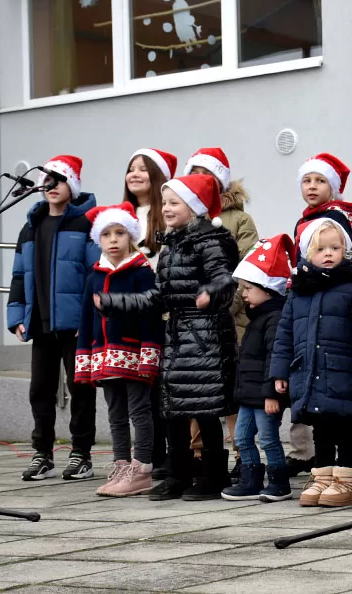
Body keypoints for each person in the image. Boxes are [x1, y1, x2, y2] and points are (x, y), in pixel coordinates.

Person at [98, 173, 239, 501]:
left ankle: (212, 475)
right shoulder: (171, 244)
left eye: (175, 202)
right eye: (166, 203)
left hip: (205, 334)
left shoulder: (211, 240)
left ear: (194, 206)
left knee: (204, 408)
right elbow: (158, 295)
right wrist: (114, 303)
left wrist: (210, 293)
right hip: (176, 333)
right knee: (173, 408)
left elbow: (224, 279)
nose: (168, 208)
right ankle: (179, 474)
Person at [8, 155, 100, 482]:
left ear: (71, 185)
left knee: (81, 389)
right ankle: (42, 453)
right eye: (47, 179)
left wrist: (89, 319)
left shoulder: (85, 225)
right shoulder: (31, 225)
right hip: (40, 324)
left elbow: (95, 274)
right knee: (40, 389)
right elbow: (19, 275)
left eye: (59, 179)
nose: (52, 185)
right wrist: (17, 315)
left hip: (75, 327)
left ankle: (81, 453)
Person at [272, 219, 352, 507]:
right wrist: (280, 371)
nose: (328, 253)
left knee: (342, 426)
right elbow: (285, 334)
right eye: (320, 249)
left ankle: (345, 479)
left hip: (341, 369)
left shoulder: (351, 288)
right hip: (309, 369)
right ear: (307, 254)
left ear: (346, 251)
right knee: (320, 427)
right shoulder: (299, 292)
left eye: (335, 247)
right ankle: (323, 476)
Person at [179, 148, 257, 479]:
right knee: (197, 390)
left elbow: (245, 268)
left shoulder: (239, 220)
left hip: (229, 317)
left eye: (206, 175)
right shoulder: (184, 221)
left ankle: (244, 453)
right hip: (193, 322)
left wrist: (227, 304)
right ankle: (199, 455)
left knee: (232, 392)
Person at [76, 203, 162, 497]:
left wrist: (149, 355)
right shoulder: (94, 277)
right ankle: (121, 466)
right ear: (98, 240)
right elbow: (86, 320)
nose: (113, 240)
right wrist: (85, 357)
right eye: (106, 234)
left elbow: (151, 316)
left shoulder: (141, 273)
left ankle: (142, 469)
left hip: (134, 355)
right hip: (104, 357)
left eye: (120, 233)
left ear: (131, 237)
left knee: (139, 411)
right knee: (115, 414)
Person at [223, 235, 294, 502]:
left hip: (265, 396)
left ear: (267, 289)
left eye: (247, 288)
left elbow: (274, 358)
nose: (242, 294)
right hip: (249, 396)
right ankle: (251, 480)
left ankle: (279, 481)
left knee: (268, 439)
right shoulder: (257, 318)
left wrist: (272, 394)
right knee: (241, 437)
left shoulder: (274, 318)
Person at [123, 147, 176, 480]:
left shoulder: (164, 216)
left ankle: (167, 454)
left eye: (143, 168)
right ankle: (146, 453)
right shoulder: (122, 214)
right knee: (137, 387)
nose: (135, 174)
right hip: (130, 310)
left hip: (160, 311)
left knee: (160, 387)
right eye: (131, 169)